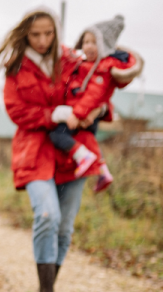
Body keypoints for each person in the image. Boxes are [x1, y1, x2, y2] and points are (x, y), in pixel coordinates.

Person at [0, 7, 99, 292]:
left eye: (48, 34)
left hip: (72, 151)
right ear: (26, 34)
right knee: (47, 215)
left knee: (64, 228)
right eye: (35, 34)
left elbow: (97, 85)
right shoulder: (16, 67)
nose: (41, 40)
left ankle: (44, 291)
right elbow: (16, 111)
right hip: (34, 150)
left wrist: (96, 109)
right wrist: (52, 115)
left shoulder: (71, 59)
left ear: (56, 33)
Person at [49, 15, 143, 192]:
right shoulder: (84, 65)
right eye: (86, 42)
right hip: (83, 113)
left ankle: (82, 157)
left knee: (57, 136)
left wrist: (77, 115)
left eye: (94, 42)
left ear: (104, 46)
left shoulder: (102, 69)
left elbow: (93, 95)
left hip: (81, 114)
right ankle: (103, 171)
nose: (88, 46)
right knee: (87, 140)